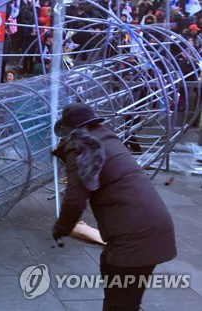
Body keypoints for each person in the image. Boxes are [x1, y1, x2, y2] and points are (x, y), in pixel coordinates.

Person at [51, 103, 176, 311]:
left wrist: (61, 228)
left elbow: (75, 198)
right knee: (110, 268)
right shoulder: (106, 137)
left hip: (137, 237)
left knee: (120, 305)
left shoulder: (82, 147)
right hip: (153, 227)